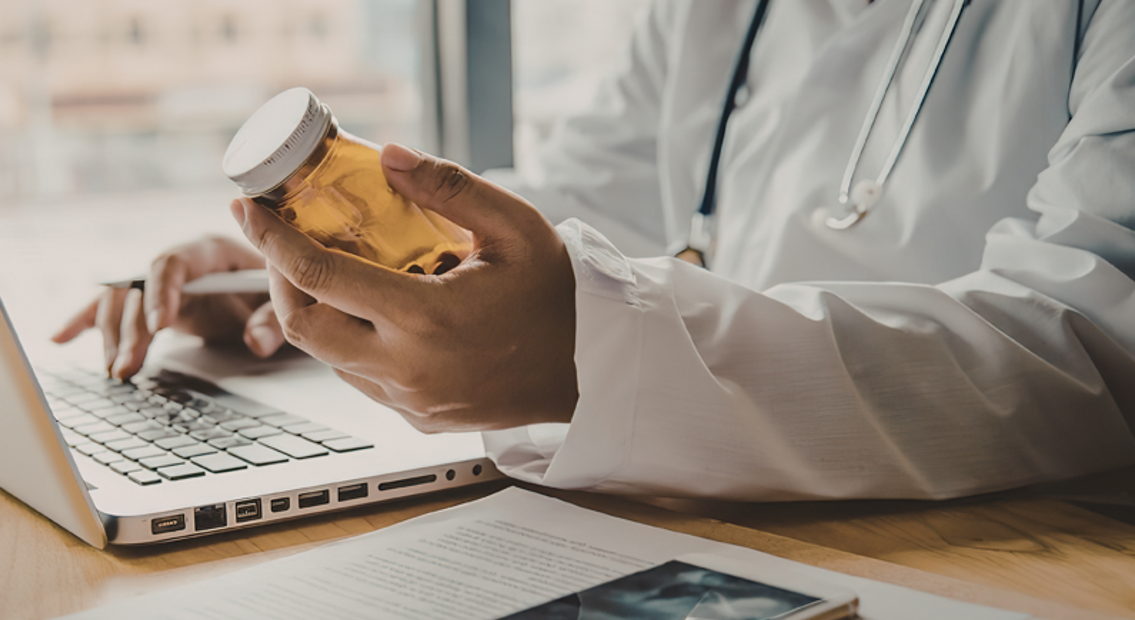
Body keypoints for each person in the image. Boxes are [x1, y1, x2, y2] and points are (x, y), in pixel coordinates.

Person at [55, 1, 1135, 501]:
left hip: (1009, 546)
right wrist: (289, 275)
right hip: (723, 526)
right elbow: (551, 207)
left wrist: (589, 354)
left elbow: (1093, 344)